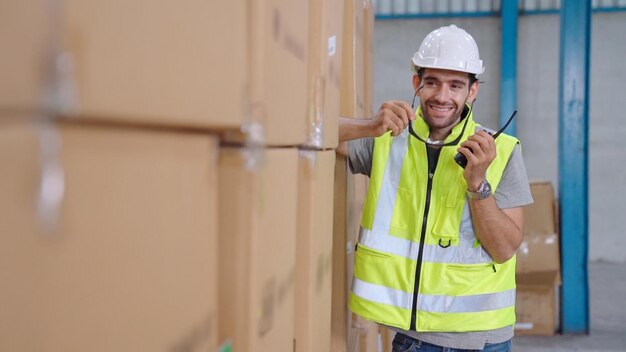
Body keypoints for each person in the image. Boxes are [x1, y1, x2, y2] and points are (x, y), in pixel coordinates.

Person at [337, 24, 533, 352]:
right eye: (432, 83)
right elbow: (312, 131)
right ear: (417, 83)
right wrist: (368, 125)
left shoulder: (503, 152)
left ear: (472, 91)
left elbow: (504, 248)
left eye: (455, 85)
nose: (442, 97)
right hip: (411, 336)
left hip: (480, 339)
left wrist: (478, 184)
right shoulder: (388, 140)